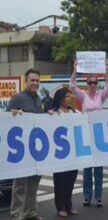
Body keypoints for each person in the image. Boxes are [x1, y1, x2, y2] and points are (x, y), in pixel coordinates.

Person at [70, 60, 108, 208]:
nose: (93, 85)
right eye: (90, 82)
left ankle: (99, 197)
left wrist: (107, 71)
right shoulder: (82, 96)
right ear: (87, 84)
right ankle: (87, 196)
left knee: (99, 169)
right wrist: (75, 70)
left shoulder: (101, 95)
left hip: (99, 135)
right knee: (88, 169)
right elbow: (72, 86)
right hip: (87, 135)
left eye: (95, 82)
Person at [7, 68, 43, 220]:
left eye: (37, 80)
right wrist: (12, 114)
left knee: (34, 181)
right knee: (20, 184)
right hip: (22, 149)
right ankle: (17, 215)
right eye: (32, 80)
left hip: (36, 148)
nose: (35, 83)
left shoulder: (39, 99)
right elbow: (6, 119)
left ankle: (30, 212)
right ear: (25, 81)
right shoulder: (18, 98)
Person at [51, 88, 79, 217]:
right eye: (68, 96)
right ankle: (60, 207)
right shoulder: (54, 114)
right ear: (61, 98)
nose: (70, 98)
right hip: (59, 154)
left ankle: (69, 205)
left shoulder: (75, 113)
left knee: (71, 180)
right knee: (60, 181)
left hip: (73, 154)